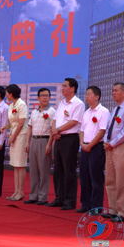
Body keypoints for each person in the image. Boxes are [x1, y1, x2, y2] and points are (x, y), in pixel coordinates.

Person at [102, 83, 124, 222]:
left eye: (116, 90)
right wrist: (107, 141)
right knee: (110, 180)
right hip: (111, 147)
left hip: (122, 147)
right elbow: (108, 128)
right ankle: (113, 210)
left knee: (122, 181)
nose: (113, 93)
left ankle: (122, 213)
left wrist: (112, 143)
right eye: (113, 90)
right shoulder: (115, 109)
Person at [48, 78, 85, 211]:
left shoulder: (78, 104)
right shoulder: (62, 103)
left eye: (64, 86)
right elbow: (55, 120)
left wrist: (58, 130)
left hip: (70, 139)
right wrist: (54, 132)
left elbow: (74, 121)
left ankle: (70, 201)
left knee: (69, 171)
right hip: (58, 138)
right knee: (58, 171)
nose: (62, 88)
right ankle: (59, 198)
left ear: (72, 88)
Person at [77, 86, 109, 213]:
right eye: (86, 94)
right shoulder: (86, 112)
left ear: (97, 96)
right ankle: (85, 205)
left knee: (96, 178)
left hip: (96, 148)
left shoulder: (103, 111)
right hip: (84, 147)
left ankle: (96, 207)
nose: (86, 97)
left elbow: (102, 131)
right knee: (84, 177)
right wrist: (82, 144)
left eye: (89, 94)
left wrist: (90, 145)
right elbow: (82, 131)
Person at [24, 88, 55, 205]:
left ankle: (43, 197)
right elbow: (30, 127)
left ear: (50, 98)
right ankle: (33, 196)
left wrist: (49, 144)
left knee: (44, 171)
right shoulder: (34, 112)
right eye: (42, 95)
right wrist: (27, 142)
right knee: (33, 171)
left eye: (47, 95)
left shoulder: (52, 111)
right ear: (38, 98)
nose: (45, 98)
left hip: (45, 141)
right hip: (34, 141)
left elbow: (53, 130)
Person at [0, 84, 28, 201]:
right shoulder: (11, 105)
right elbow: (12, 123)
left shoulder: (22, 104)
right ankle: (16, 191)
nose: (6, 95)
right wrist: (4, 127)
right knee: (15, 165)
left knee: (20, 165)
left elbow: (21, 123)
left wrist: (12, 137)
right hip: (13, 135)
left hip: (21, 136)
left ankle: (20, 192)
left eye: (6, 93)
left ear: (11, 94)